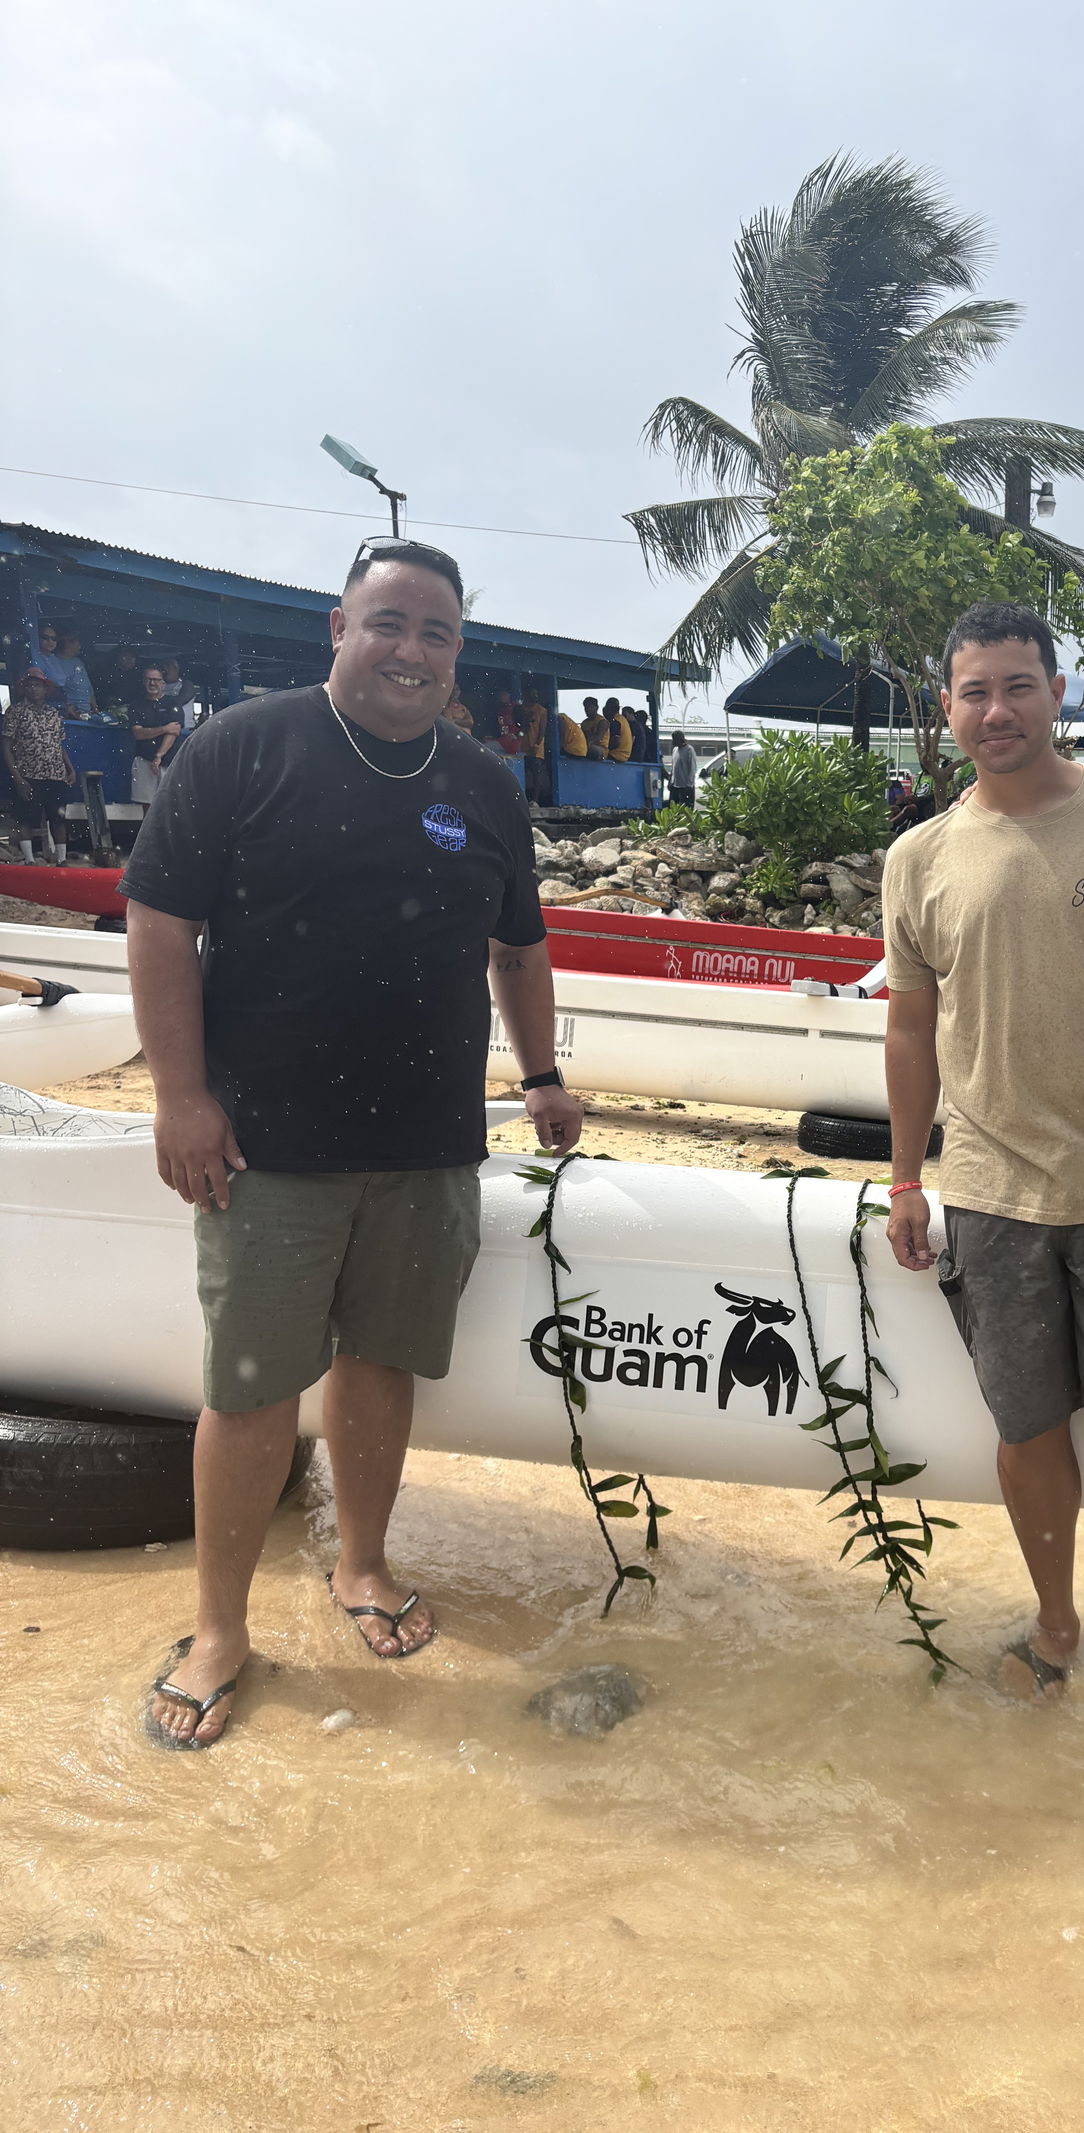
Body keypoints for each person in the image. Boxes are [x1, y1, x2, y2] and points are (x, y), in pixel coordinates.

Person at [122, 536, 584, 1750]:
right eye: (388, 623)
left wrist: (540, 1076)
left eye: (435, 631)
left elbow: (520, 948)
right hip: (265, 1142)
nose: (410, 649)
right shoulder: (242, 748)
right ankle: (221, 1629)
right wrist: (181, 1097)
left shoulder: (481, 781)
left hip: (430, 1142)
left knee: (381, 1365)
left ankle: (362, 1563)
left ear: (458, 653)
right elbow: (160, 925)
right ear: (338, 628)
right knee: (254, 1384)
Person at [882, 601, 1084, 1703]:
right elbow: (909, 1026)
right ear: (945, 710)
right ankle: (1059, 1624)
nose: (997, 709)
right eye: (973, 691)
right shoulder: (918, 856)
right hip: (991, 1188)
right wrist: (903, 1179)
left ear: (1057, 692)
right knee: (1025, 1431)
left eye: (1017, 685)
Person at [1, 666, 77, 862]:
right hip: (28, 775)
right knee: (26, 818)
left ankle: (61, 860)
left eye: (38, 685)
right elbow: (6, 746)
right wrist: (17, 778)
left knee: (58, 819)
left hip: (55, 774)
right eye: (30, 685)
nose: (34, 689)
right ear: (24, 689)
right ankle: (29, 860)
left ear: (46, 689)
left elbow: (58, 744)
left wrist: (70, 768)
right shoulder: (15, 712)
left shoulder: (53, 714)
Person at [129, 663, 182, 805]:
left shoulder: (173, 704)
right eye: (148, 679)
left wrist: (159, 756)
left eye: (156, 679)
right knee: (146, 806)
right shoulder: (136, 705)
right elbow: (138, 733)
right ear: (143, 681)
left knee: (170, 805)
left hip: (168, 762)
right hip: (143, 760)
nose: (152, 683)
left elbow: (174, 732)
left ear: (163, 683)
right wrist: (164, 729)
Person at [53, 627, 98, 718]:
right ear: (68, 642)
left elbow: (88, 688)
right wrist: (69, 709)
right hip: (69, 715)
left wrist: (95, 708)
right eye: (78, 642)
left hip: (86, 714)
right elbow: (55, 691)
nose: (80, 646)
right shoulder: (54, 662)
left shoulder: (78, 662)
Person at [523, 694, 552, 805]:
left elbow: (542, 730)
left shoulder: (541, 710)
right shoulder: (523, 709)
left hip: (536, 748)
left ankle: (536, 800)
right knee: (526, 773)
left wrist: (537, 744)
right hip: (524, 746)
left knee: (537, 774)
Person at [665, 728, 697, 809]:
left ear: (680, 739)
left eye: (674, 739)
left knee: (685, 810)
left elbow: (692, 768)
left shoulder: (689, 750)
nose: (673, 742)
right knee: (673, 809)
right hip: (675, 786)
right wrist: (670, 782)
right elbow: (673, 767)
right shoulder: (675, 750)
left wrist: (689, 785)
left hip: (685, 786)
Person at [491, 687, 527, 757]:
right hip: (503, 741)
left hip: (513, 742)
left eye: (504, 694)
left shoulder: (516, 708)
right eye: (500, 695)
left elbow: (524, 725)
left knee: (485, 749)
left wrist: (516, 735)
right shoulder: (500, 709)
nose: (501, 697)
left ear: (509, 695)